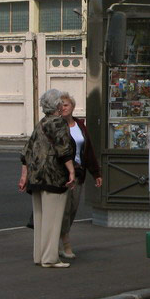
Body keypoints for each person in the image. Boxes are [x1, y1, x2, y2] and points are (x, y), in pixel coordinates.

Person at [19, 89, 76, 268]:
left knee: (41, 218)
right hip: (53, 176)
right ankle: (50, 258)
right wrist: (72, 171)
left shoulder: (41, 123)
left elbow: (26, 151)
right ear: (57, 105)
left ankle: (40, 256)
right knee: (53, 219)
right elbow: (64, 149)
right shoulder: (58, 123)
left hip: (36, 177)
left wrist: (24, 176)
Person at [57, 92, 102, 259]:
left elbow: (88, 151)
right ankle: (63, 244)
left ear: (72, 107)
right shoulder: (56, 126)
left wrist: (96, 173)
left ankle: (62, 239)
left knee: (73, 208)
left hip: (78, 174)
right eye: (60, 105)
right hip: (61, 175)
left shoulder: (80, 125)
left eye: (66, 104)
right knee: (62, 211)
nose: (63, 107)